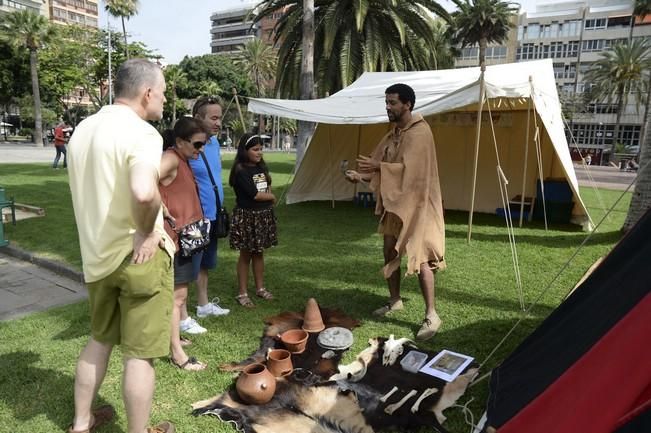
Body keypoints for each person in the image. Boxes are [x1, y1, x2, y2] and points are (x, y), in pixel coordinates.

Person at [67, 58, 175, 433]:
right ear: (147, 93)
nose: (163, 100)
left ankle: (82, 422)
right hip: (138, 259)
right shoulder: (142, 132)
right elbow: (144, 193)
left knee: (99, 341)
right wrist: (147, 231)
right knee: (140, 357)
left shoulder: (82, 129)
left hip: (96, 257)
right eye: (162, 93)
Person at [345, 83, 446, 341]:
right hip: (396, 206)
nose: (388, 107)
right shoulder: (393, 134)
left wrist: (378, 166)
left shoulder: (420, 133)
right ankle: (395, 300)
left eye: (392, 103)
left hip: (420, 206)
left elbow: (411, 171)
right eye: (387, 102)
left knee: (422, 259)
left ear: (407, 104)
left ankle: (431, 314)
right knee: (389, 250)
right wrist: (361, 175)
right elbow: (380, 165)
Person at [174, 96, 230, 336]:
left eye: (220, 117)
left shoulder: (214, 143)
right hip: (194, 218)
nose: (218, 122)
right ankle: (182, 317)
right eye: (213, 118)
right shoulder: (186, 147)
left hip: (213, 215)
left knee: (205, 264)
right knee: (188, 269)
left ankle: (204, 305)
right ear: (198, 118)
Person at [159, 117, 209, 371]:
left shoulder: (184, 158)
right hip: (175, 240)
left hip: (187, 238)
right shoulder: (170, 158)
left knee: (180, 296)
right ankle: (177, 354)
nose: (201, 150)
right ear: (180, 141)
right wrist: (160, 206)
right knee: (176, 298)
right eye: (198, 144)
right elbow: (142, 184)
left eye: (205, 144)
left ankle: (175, 337)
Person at [229, 133, 278, 308]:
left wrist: (270, 197)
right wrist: (271, 197)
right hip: (247, 217)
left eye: (261, 149)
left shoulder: (260, 168)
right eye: (255, 149)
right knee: (245, 255)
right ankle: (242, 293)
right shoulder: (240, 170)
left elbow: (266, 184)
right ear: (245, 150)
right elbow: (256, 195)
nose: (259, 153)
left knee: (259, 253)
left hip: (262, 215)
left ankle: (260, 288)